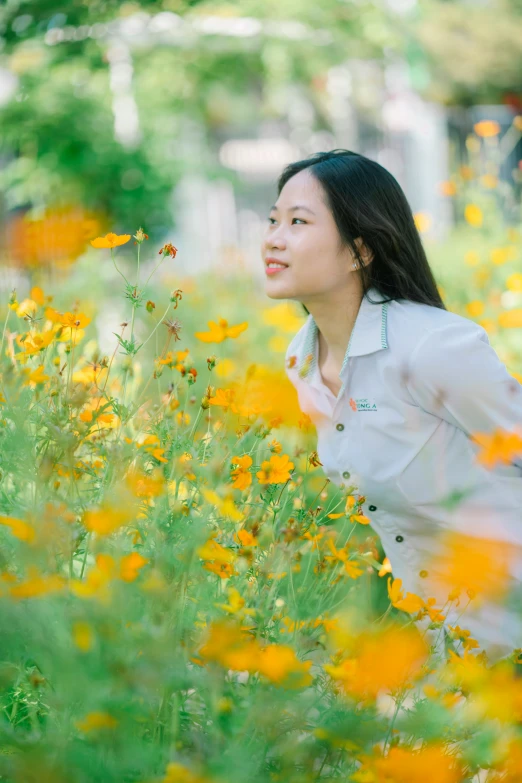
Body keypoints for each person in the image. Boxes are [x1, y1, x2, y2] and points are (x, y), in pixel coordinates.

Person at [261, 149, 522, 665]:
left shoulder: (432, 348)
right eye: (273, 220)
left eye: (297, 221)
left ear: (359, 250)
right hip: (443, 647)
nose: (272, 238)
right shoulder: (302, 359)